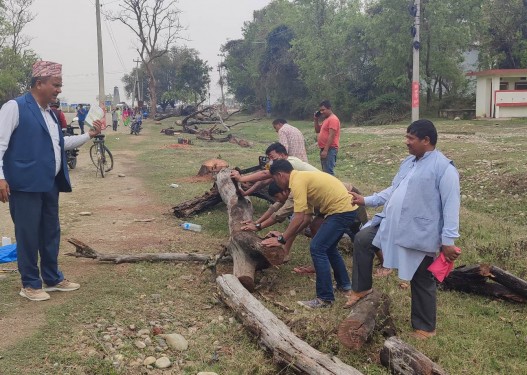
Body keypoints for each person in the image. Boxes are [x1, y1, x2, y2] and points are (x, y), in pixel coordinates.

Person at [346, 119, 460, 339]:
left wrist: (448, 241)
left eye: (411, 138)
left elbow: (451, 205)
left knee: (422, 276)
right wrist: (366, 200)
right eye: (406, 137)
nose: (406, 142)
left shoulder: (444, 169)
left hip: (419, 231)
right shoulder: (409, 162)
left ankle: (425, 328)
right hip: (391, 223)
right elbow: (394, 189)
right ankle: (362, 289)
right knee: (362, 239)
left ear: (426, 140)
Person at [0, 60, 103, 302]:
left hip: (49, 183)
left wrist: (89, 135)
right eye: (55, 85)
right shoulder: (15, 108)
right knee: (28, 234)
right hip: (24, 185)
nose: (59, 90)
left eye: (59, 85)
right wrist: (1, 177)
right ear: (39, 84)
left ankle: (53, 278)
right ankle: (30, 284)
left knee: (50, 232)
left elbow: (59, 144)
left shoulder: (51, 114)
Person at [262, 159, 358, 309]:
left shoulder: (298, 182)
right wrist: (285, 236)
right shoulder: (302, 178)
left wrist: (281, 239)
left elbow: (298, 217)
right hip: (345, 210)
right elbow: (306, 217)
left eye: (274, 179)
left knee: (317, 248)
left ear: (280, 175)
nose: (276, 182)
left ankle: (325, 299)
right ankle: (344, 286)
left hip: (341, 211)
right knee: (329, 248)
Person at [314, 100, 340, 175]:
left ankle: (334, 186)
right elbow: (317, 130)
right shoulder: (326, 119)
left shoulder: (333, 119)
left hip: (330, 149)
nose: (322, 112)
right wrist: (316, 119)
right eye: (320, 110)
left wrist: (325, 150)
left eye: (323, 110)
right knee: (325, 172)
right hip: (325, 149)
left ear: (329, 108)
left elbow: (331, 135)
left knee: (328, 172)